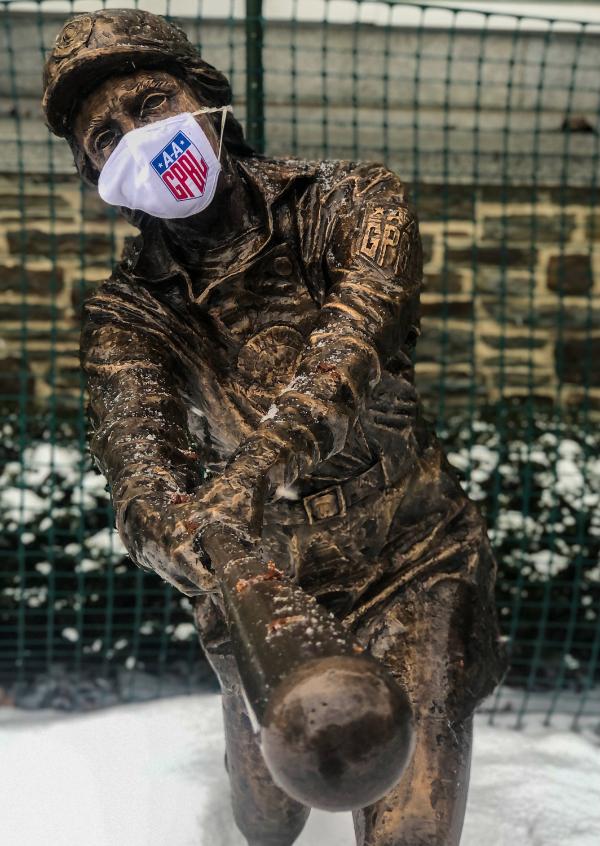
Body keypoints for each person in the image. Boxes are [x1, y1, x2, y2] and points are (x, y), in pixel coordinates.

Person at [42, 9, 506, 846]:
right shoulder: (126, 313)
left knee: (413, 826)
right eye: (105, 140)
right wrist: (183, 538)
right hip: (271, 577)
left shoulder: (352, 201)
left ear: (207, 100)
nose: (141, 139)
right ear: (97, 182)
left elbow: (348, 351)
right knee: (267, 814)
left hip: (411, 551)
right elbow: (137, 460)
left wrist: (244, 478)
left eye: (153, 103)